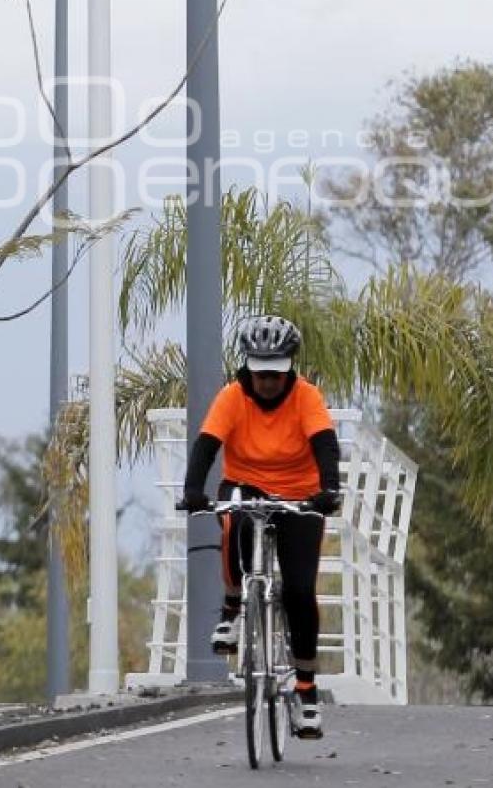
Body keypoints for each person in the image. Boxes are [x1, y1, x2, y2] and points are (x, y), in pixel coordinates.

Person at [180, 313, 341, 739]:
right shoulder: (232, 397)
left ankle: (306, 692)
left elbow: (325, 444)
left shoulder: (307, 397)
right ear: (248, 367)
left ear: (289, 368)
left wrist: (329, 490)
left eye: (275, 373)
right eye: (260, 373)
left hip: (299, 492)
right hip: (246, 485)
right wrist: (193, 490)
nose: (267, 382)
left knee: (300, 591)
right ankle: (233, 608)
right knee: (233, 517)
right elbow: (206, 445)